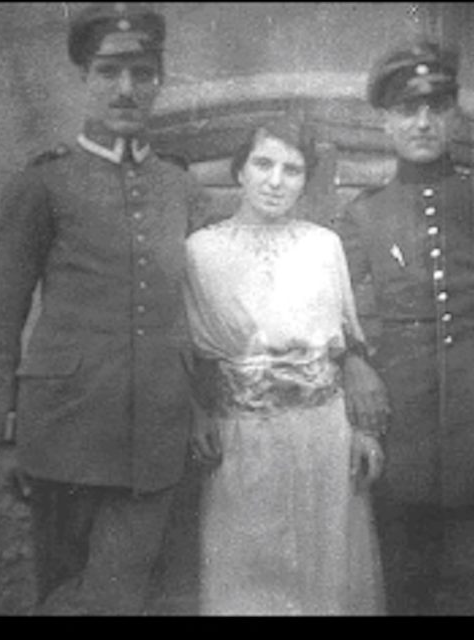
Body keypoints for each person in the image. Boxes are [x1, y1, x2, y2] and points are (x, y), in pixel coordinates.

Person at [0, 2, 210, 616]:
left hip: (156, 433)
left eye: (142, 73)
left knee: (121, 596)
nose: (127, 89)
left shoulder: (178, 187)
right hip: (64, 436)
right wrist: (1, 430)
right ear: (84, 78)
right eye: (109, 72)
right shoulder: (43, 185)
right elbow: (1, 315)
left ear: (159, 80)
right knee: (63, 594)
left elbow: (212, 293)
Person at [183, 115, 389, 615]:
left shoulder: (323, 246)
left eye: (292, 170)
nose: (276, 181)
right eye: (263, 164)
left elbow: (346, 349)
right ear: (240, 171)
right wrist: (197, 413)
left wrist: (363, 432)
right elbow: (190, 356)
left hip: (324, 435)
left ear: (305, 179)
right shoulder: (201, 252)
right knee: (251, 578)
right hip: (244, 438)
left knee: (327, 578)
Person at [334, 40, 474, 615]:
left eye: (436, 106)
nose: (424, 122)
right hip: (402, 430)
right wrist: (353, 359)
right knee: (406, 589)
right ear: (385, 120)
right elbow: (328, 304)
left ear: (453, 113)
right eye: (408, 109)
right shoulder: (364, 213)